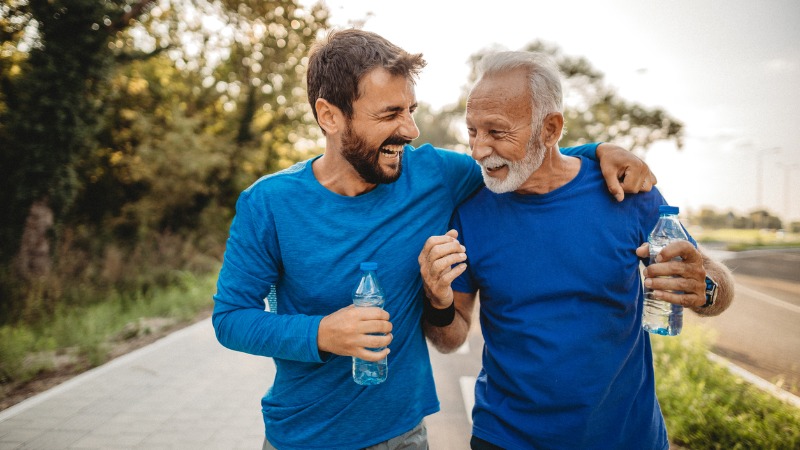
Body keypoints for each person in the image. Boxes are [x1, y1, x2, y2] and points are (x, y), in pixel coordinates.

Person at [212, 29, 657, 450]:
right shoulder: (268, 203)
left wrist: (597, 151)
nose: (409, 130)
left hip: (404, 434)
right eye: (389, 114)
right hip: (302, 435)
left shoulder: (436, 176)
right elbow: (231, 318)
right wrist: (321, 333)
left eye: (410, 110)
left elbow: (527, 161)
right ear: (330, 115)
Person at [419, 50, 734, 450]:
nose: (479, 149)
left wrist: (705, 287)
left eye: (497, 132)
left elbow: (716, 289)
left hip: (627, 439)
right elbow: (451, 337)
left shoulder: (627, 191)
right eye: (473, 131)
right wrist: (438, 299)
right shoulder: (470, 212)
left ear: (550, 129)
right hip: (506, 439)